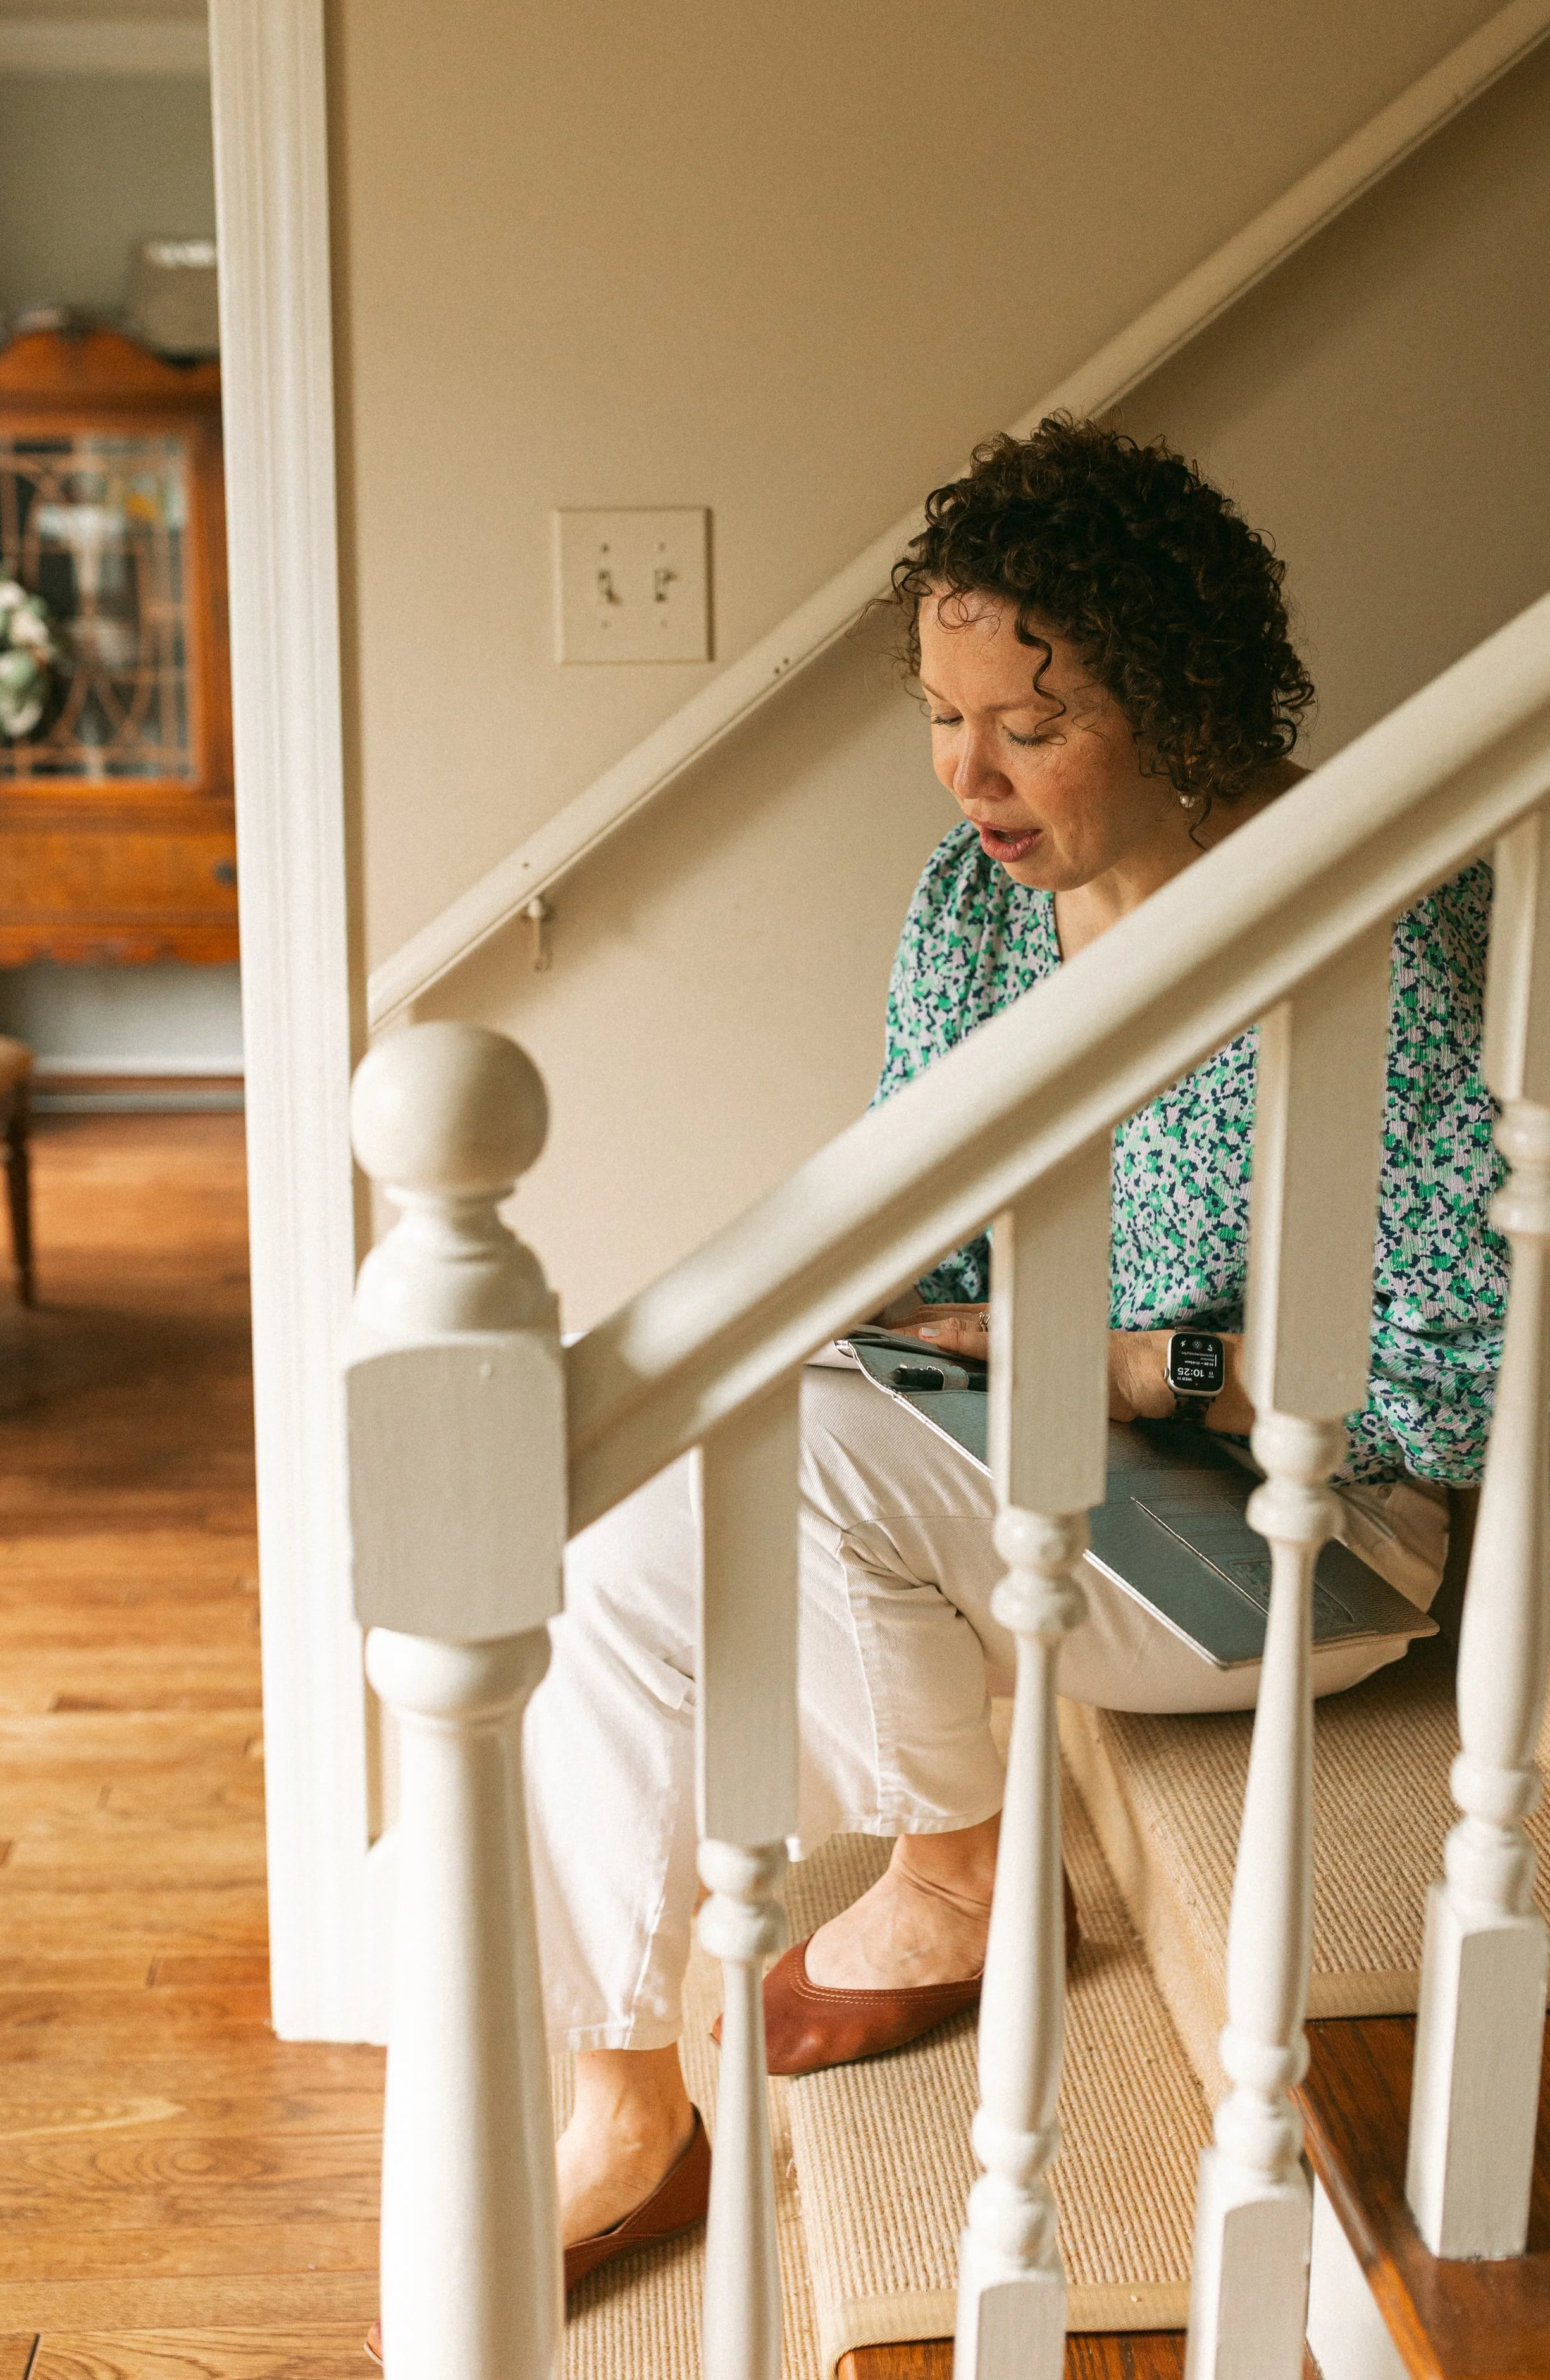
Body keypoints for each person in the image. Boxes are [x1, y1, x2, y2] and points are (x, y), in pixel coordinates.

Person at [526, 419, 1506, 2286]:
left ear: (1186, 707)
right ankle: (624, 2099)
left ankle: (965, 1875)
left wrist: (1128, 1361)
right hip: (1042, 1458)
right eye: (939, 714)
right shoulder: (978, 905)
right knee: (617, 1508)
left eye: (1029, 726)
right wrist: (879, 1307)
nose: (967, 771)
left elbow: (1442, 1381)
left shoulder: (1378, 913)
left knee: (782, 1466)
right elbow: (932, 1225)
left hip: (1312, 1541)